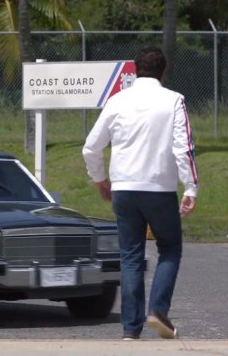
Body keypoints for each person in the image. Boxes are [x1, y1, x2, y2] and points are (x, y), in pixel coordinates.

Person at [82, 46, 198, 340]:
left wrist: (100, 180)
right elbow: (183, 147)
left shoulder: (117, 100)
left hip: (124, 189)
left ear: (134, 70)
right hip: (159, 188)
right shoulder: (174, 100)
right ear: (164, 71)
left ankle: (130, 329)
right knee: (170, 248)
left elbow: (91, 147)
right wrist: (190, 186)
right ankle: (158, 311)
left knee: (130, 256)